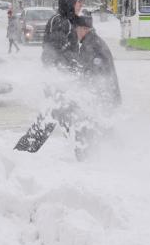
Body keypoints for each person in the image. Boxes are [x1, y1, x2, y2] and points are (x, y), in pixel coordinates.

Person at [14, 14, 121, 159]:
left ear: (84, 29)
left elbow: (89, 73)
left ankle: (25, 150)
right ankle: (94, 154)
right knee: (83, 124)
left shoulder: (91, 45)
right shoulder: (93, 42)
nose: (75, 33)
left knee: (61, 117)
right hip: (105, 97)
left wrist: (73, 84)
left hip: (102, 97)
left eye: (76, 29)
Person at [41, 0, 85, 72]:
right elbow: (55, 53)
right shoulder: (61, 21)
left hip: (65, 72)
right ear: (70, 2)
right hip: (60, 75)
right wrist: (73, 69)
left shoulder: (69, 20)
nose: (81, 5)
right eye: (79, 2)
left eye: (82, 2)